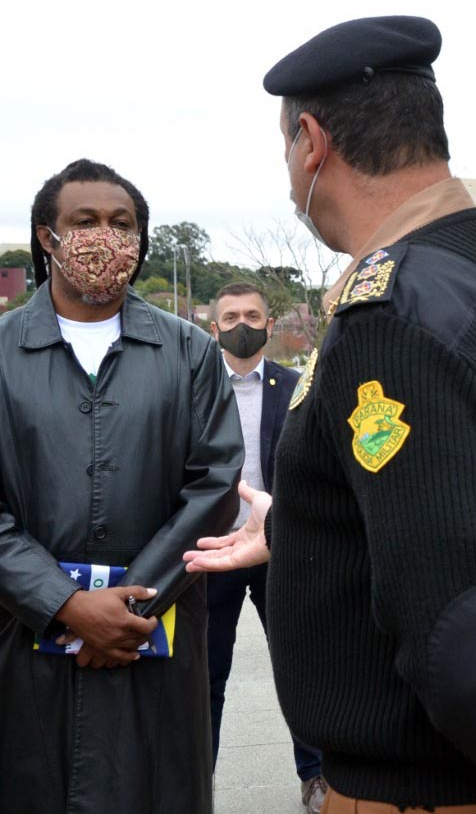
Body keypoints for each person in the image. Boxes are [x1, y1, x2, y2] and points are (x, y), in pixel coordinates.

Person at [184, 16, 476, 814]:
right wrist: (306, 525)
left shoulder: (394, 315)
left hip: (440, 792)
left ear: (311, 141)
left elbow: (452, 634)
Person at [0, 158, 243, 813]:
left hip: (154, 635)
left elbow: (215, 484)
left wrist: (129, 607)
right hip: (32, 642)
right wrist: (65, 604)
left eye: (122, 222)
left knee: (160, 788)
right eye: (86, 220)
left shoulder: (190, 354)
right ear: (47, 237)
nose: (106, 235)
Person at [205, 281, 327, 812]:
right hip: (212, 552)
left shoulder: (298, 386)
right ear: (214, 328)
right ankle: (195, 781)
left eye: (252, 315)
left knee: (301, 669)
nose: (242, 325)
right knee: (205, 676)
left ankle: (318, 776)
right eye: (230, 317)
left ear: (270, 325)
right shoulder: (195, 386)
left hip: (280, 548)